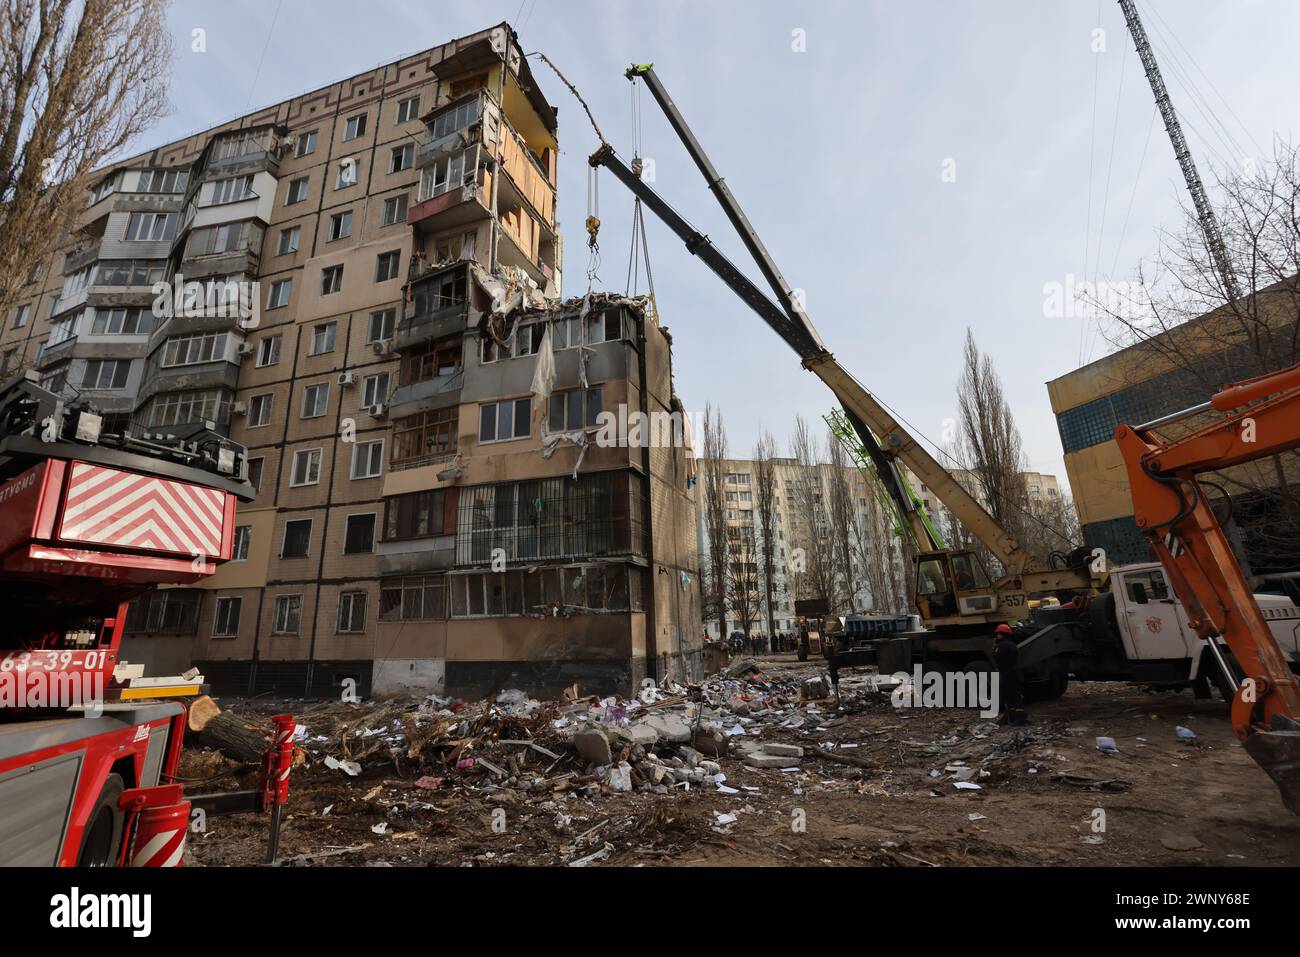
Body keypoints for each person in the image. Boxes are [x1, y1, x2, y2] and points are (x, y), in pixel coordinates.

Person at [993, 623, 1027, 725]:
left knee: (1010, 696)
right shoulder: (1012, 644)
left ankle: (1017, 718)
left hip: (1007, 673)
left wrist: (995, 647)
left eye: (998, 633)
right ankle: (1015, 717)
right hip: (1014, 672)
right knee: (1015, 694)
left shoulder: (1001, 646)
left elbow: (997, 657)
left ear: (1001, 634)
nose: (996, 635)